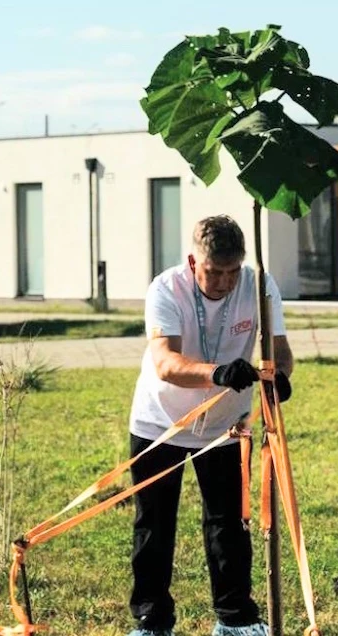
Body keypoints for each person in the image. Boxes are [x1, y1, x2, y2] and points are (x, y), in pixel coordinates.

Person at [127, 215, 293, 636]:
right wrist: (218, 373)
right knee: (154, 524)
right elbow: (165, 363)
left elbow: (279, 349)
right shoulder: (165, 288)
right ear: (192, 261)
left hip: (225, 426)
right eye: (213, 272)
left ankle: (235, 618)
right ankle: (152, 619)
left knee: (228, 522)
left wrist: (280, 378)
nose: (223, 282)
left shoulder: (259, 286)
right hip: (159, 422)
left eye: (232, 272)